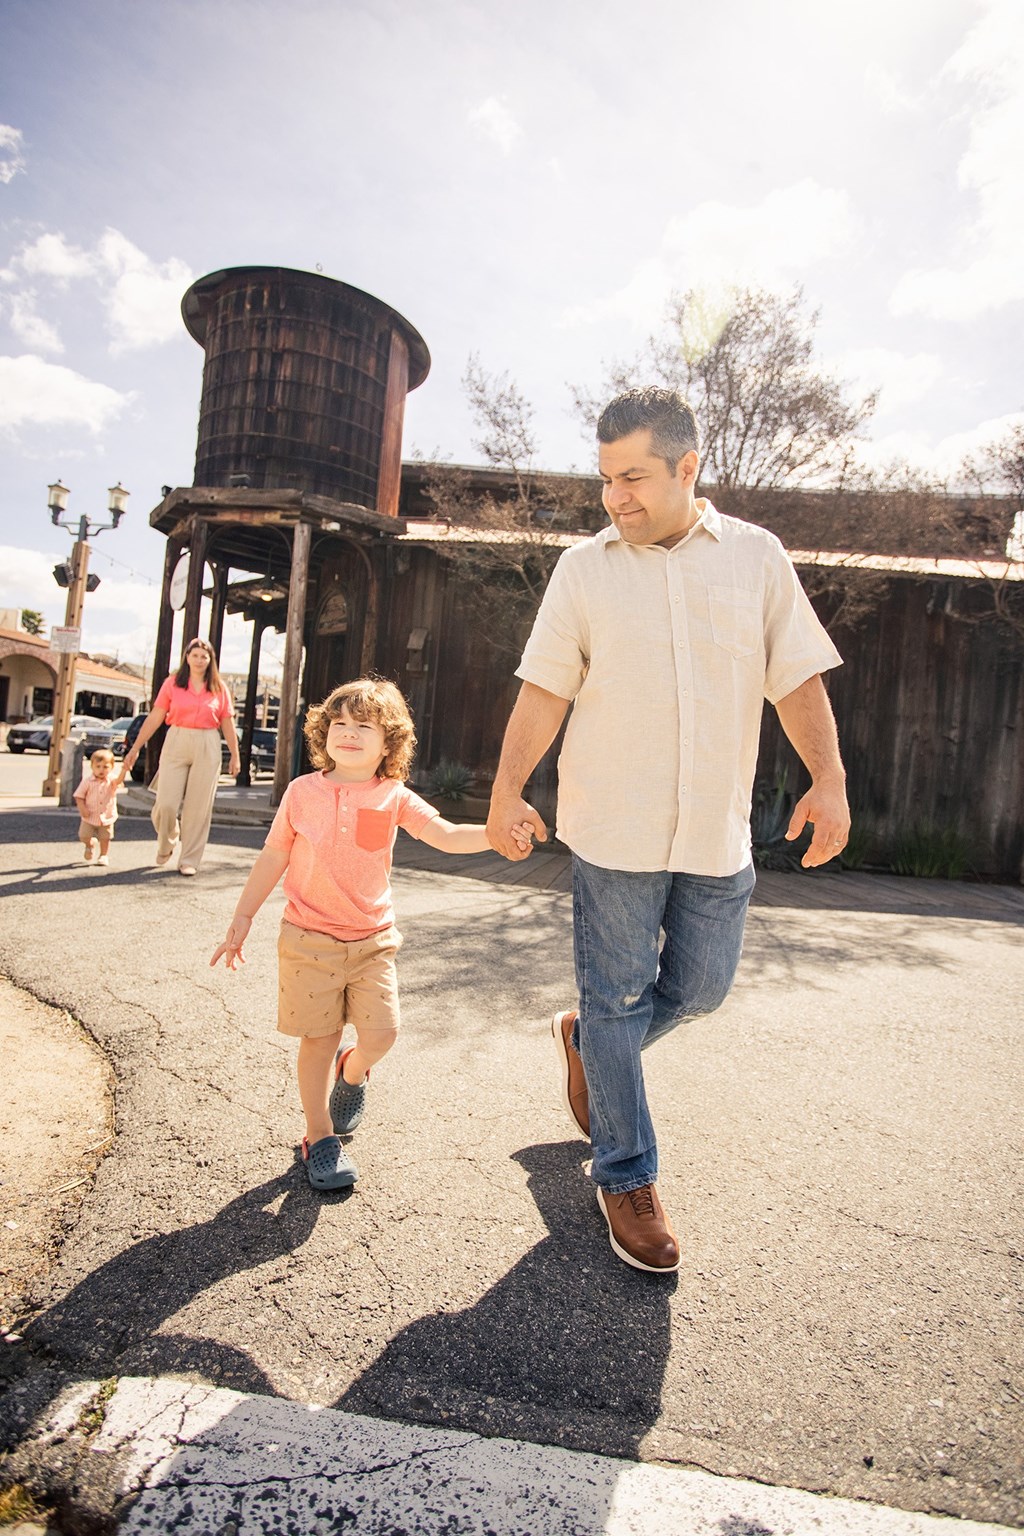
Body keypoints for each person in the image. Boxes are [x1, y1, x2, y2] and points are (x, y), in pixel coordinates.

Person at [487, 387, 850, 1275]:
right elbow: (545, 687)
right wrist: (505, 788)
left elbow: (796, 676)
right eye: (607, 479)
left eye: (636, 478)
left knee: (698, 990)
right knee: (616, 1000)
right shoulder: (584, 569)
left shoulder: (756, 558)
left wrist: (829, 778)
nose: (616, 497)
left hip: (715, 832)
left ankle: (585, 1043)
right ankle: (627, 1174)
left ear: (688, 469)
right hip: (613, 828)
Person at [210, 677, 531, 1192]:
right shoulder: (301, 792)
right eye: (340, 723)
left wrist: (496, 837)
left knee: (382, 1034)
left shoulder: (393, 796)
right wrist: (243, 916)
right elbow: (274, 855)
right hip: (308, 936)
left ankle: (353, 1072)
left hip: (371, 939)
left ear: (390, 743)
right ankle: (319, 1136)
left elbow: (444, 834)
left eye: (365, 726)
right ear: (323, 732)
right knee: (318, 1039)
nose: (350, 734)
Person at [123, 638, 240, 877]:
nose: (199, 660)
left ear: (210, 660)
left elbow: (227, 724)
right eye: (195, 655)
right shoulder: (173, 684)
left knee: (198, 808)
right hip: (177, 739)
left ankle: (189, 858)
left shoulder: (219, 688)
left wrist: (235, 755)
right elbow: (156, 716)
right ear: (187, 657)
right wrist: (135, 747)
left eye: (204, 656)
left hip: (207, 742)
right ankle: (167, 841)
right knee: (165, 804)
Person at [73, 747, 126, 866]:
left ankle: (103, 855)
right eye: (98, 767)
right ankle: (89, 844)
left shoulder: (111, 780)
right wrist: (82, 809)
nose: (101, 770)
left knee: (105, 837)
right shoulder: (88, 781)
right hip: (90, 815)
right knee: (83, 835)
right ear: (92, 767)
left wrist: (124, 770)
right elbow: (79, 796)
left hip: (106, 815)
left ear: (111, 767)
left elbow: (118, 781)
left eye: (105, 767)